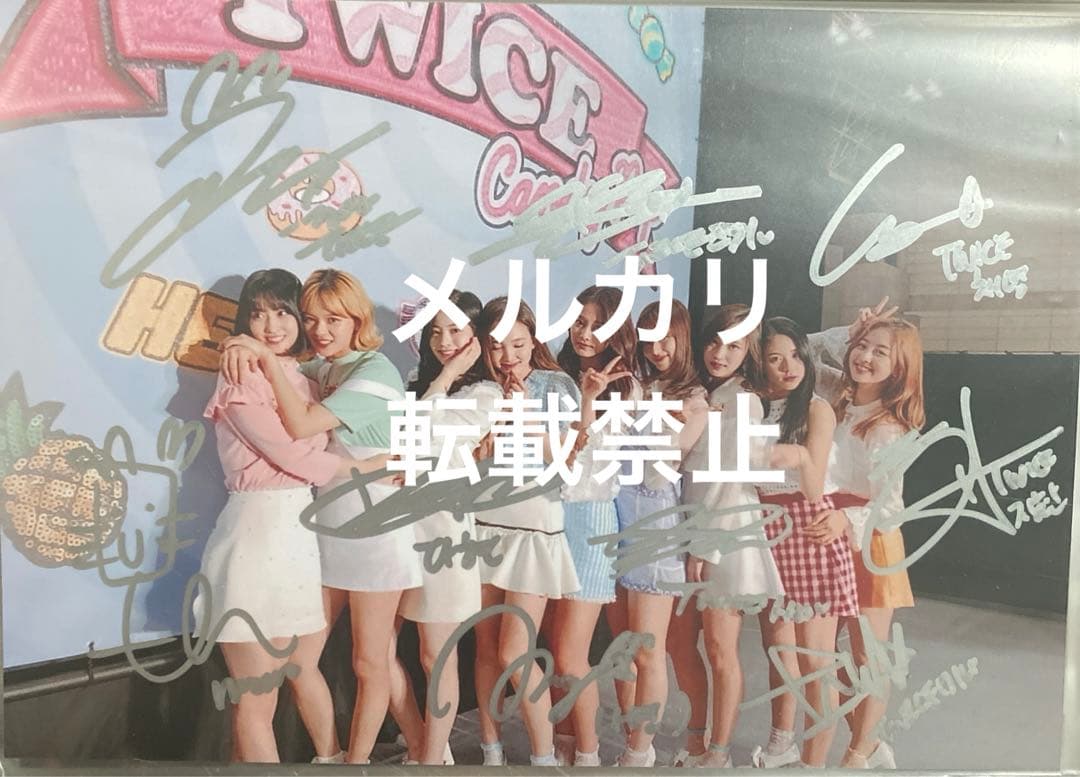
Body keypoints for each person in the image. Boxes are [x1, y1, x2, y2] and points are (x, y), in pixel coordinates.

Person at [221, 268, 422, 765]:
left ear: (358, 319)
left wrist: (263, 355)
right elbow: (289, 366)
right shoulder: (326, 367)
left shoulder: (374, 371)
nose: (320, 330)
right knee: (303, 659)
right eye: (311, 318)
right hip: (326, 532)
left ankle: (361, 763)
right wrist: (242, 346)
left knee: (370, 660)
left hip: (375, 529)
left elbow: (302, 423)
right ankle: (422, 749)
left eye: (334, 319)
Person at [806, 304, 922, 770]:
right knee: (820, 655)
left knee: (865, 653)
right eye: (862, 347)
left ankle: (861, 751)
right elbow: (800, 353)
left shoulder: (891, 426)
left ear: (901, 367)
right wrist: (846, 332)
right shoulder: (834, 394)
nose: (865, 357)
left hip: (870, 541)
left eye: (880, 352)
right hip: (826, 535)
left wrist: (846, 520)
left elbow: (890, 506)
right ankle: (863, 742)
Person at [671, 304, 785, 768]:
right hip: (690, 526)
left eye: (734, 347)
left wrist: (706, 545)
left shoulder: (744, 400)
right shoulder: (708, 392)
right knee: (681, 645)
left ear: (748, 352)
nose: (720, 354)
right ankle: (698, 741)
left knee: (720, 648)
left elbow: (729, 477)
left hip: (723, 534)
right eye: (715, 342)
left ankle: (717, 753)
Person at [471, 298, 582, 767]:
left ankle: (543, 758)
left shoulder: (557, 385)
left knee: (515, 651)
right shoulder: (479, 389)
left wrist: (524, 414)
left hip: (534, 526)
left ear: (534, 341)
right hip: (484, 523)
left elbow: (568, 463)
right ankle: (491, 750)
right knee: (484, 649)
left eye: (518, 344)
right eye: (497, 346)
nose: (507, 356)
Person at [397, 290, 503, 765]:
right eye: (435, 331)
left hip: (444, 533)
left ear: (475, 336)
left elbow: (427, 438)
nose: (444, 341)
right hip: (398, 531)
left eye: (455, 330)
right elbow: (401, 444)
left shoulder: (487, 394)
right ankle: (427, 747)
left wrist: (446, 377)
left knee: (435, 656)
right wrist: (438, 380)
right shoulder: (414, 383)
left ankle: (433, 758)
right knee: (384, 653)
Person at [608, 299, 709, 768]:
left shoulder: (696, 401)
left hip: (657, 525)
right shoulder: (636, 385)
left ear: (682, 336)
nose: (657, 348)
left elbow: (663, 466)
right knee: (622, 649)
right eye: (648, 339)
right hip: (615, 518)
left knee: (648, 651)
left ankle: (640, 752)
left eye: (665, 337)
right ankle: (632, 737)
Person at [753, 316, 857, 768]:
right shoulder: (752, 407)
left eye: (796, 355)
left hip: (811, 530)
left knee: (817, 661)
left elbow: (814, 488)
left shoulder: (817, 409)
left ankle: (813, 764)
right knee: (779, 653)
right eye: (775, 359)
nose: (789, 366)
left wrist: (797, 455)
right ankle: (781, 743)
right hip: (766, 530)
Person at [547, 286, 638, 767]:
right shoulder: (558, 374)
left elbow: (579, 458)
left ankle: (588, 754)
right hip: (550, 518)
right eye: (578, 322)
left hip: (591, 519)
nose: (584, 333)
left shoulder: (625, 387)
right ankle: (563, 739)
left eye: (596, 325)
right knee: (553, 648)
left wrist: (588, 402)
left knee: (570, 654)